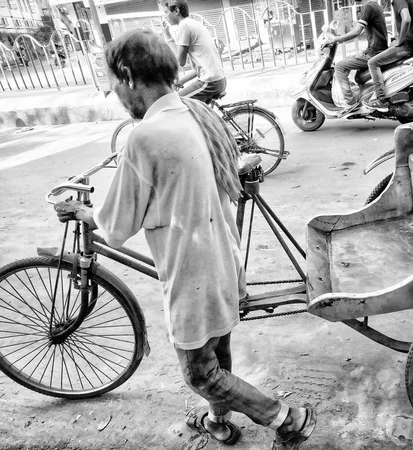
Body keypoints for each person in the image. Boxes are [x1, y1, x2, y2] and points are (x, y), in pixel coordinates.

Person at [53, 29, 316, 450]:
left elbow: (116, 225)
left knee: (199, 373)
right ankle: (218, 420)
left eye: (114, 84)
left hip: (194, 270)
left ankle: (286, 417)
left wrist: (83, 212)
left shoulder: (144, 136)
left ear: (128, 76)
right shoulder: (192, 111)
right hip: (221, 257)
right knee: (218, 353)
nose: (117, 95)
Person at [323, 0, 388, 112]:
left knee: (339, 66)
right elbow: (362, 31)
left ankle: (350, 102)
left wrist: (335, 39)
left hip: (374, 53)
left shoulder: (369, 7)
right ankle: (359, 96)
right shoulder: (374, 5)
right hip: (376, 50)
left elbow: (356, 32)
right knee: (350, 62)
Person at [159, 0, 226, 103]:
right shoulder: (193, 24)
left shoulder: (184, 26)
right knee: (197, 113)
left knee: (176, 102)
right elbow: (201, 67)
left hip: (211, 81)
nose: (164, 17)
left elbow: (180, 61)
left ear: (176, 10)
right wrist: (182, 81)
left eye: (166, 12)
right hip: (218, 79)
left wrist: (168, 36)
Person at [364, 0, 413, 110]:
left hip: (408, 46)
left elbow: (406, 19)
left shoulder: (399, 0)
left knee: (372, 63)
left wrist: (400, 41)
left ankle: (381, 99)